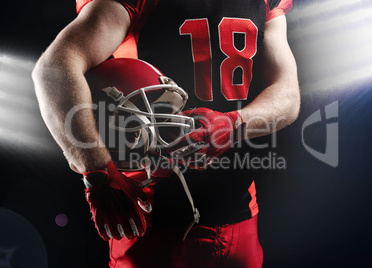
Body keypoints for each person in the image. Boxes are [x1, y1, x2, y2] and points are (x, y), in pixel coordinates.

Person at [32, 0, 300, 267]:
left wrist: (234, 124)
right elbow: (55, 68)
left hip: (239, 215)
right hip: (152, 222)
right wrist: (98, 170)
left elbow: (287, 94)